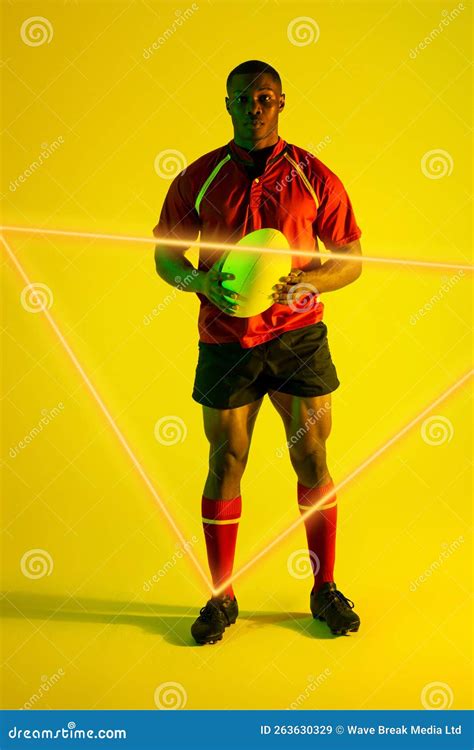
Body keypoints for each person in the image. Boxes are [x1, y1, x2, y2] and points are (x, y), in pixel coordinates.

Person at [153, 59, 363, 645]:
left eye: (265, 97)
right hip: (226, 341)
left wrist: (311, 283)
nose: (254, 107)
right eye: (242, 98)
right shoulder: (198, 177)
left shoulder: (313, 174)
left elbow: (350, 257)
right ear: (227, 104)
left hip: (298, 337)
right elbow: (165, 258)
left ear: (282, 102)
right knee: (226, 460)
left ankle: (324, 590)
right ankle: (221, 597)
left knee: (313, 458)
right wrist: (198, 283)